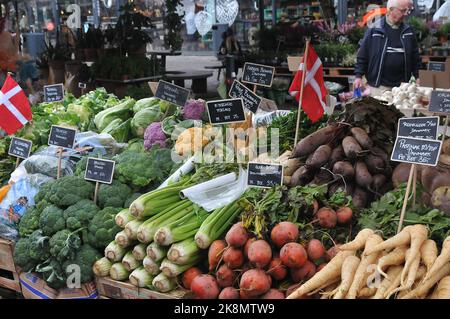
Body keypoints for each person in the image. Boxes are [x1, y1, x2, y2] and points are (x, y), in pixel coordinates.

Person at [354, 0, 421, 96]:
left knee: (402, 111)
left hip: (402, 88)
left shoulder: (408, 32)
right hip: (379, 87)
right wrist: (358, 76)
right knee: (378, 111)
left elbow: (415, 57)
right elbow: (363, 55)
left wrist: (418, 76)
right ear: (391, 10)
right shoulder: (375, 30)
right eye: (403, 10)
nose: (406, 14)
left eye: (408, 10)